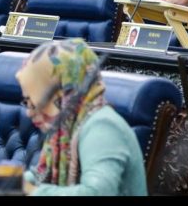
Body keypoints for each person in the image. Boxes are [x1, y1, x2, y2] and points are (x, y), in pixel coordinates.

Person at [16, 38, 147, 196]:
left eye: (34, 101)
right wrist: (8, 182)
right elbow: (41, 175)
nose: (29, 112)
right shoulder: (65, 125)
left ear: (63, 94)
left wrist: (33, 192)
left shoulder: (103, 126)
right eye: (27, 101)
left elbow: (97, 193)